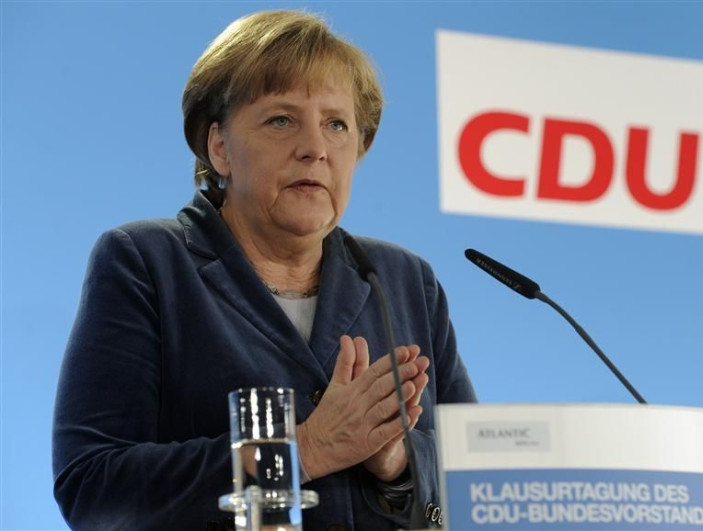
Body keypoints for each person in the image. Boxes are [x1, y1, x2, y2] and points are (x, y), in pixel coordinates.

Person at [52, 10, 476, 531]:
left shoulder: (405, 281)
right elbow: (93, 488)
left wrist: (398, 463)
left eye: (337, 125)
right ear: (220, 148)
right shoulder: (146, 262)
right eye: (281, 119)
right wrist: (307, 450)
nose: (315, 148)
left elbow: (473, 488)